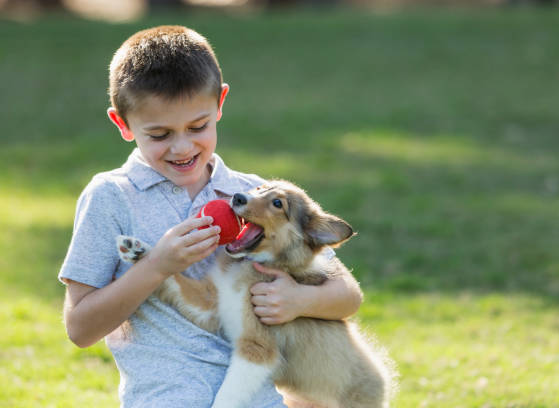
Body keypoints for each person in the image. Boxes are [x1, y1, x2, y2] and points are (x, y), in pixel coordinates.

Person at [59, 25, 363, 408]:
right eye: (159, 135)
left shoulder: (254, 194)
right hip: (167, 398)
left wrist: (298, 299)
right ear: (122, 123)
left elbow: (347, 295)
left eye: (198, 127)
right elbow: (80, 328)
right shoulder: (111, 197)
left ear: (220, 103)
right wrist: (157, 266)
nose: (182, 147)